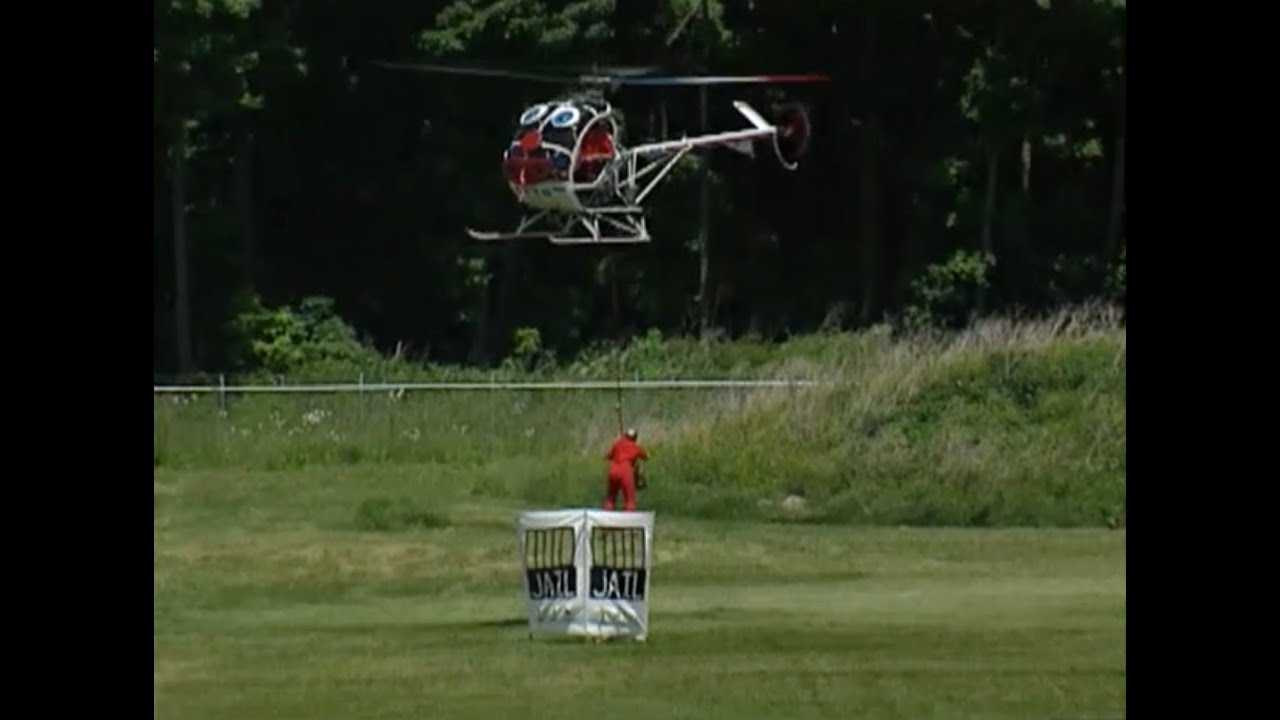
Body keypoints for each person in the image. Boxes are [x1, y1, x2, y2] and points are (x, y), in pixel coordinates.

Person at [603, 427, 647, 511]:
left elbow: (608, 456)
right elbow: (645, 456)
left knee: (610, 498)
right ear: (635, 438)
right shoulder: (635, 447)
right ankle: (628, 519)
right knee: (629, 499)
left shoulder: (617, 443)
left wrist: (619, 442)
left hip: (613, 469)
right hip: (625, 470)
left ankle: (606, 516)